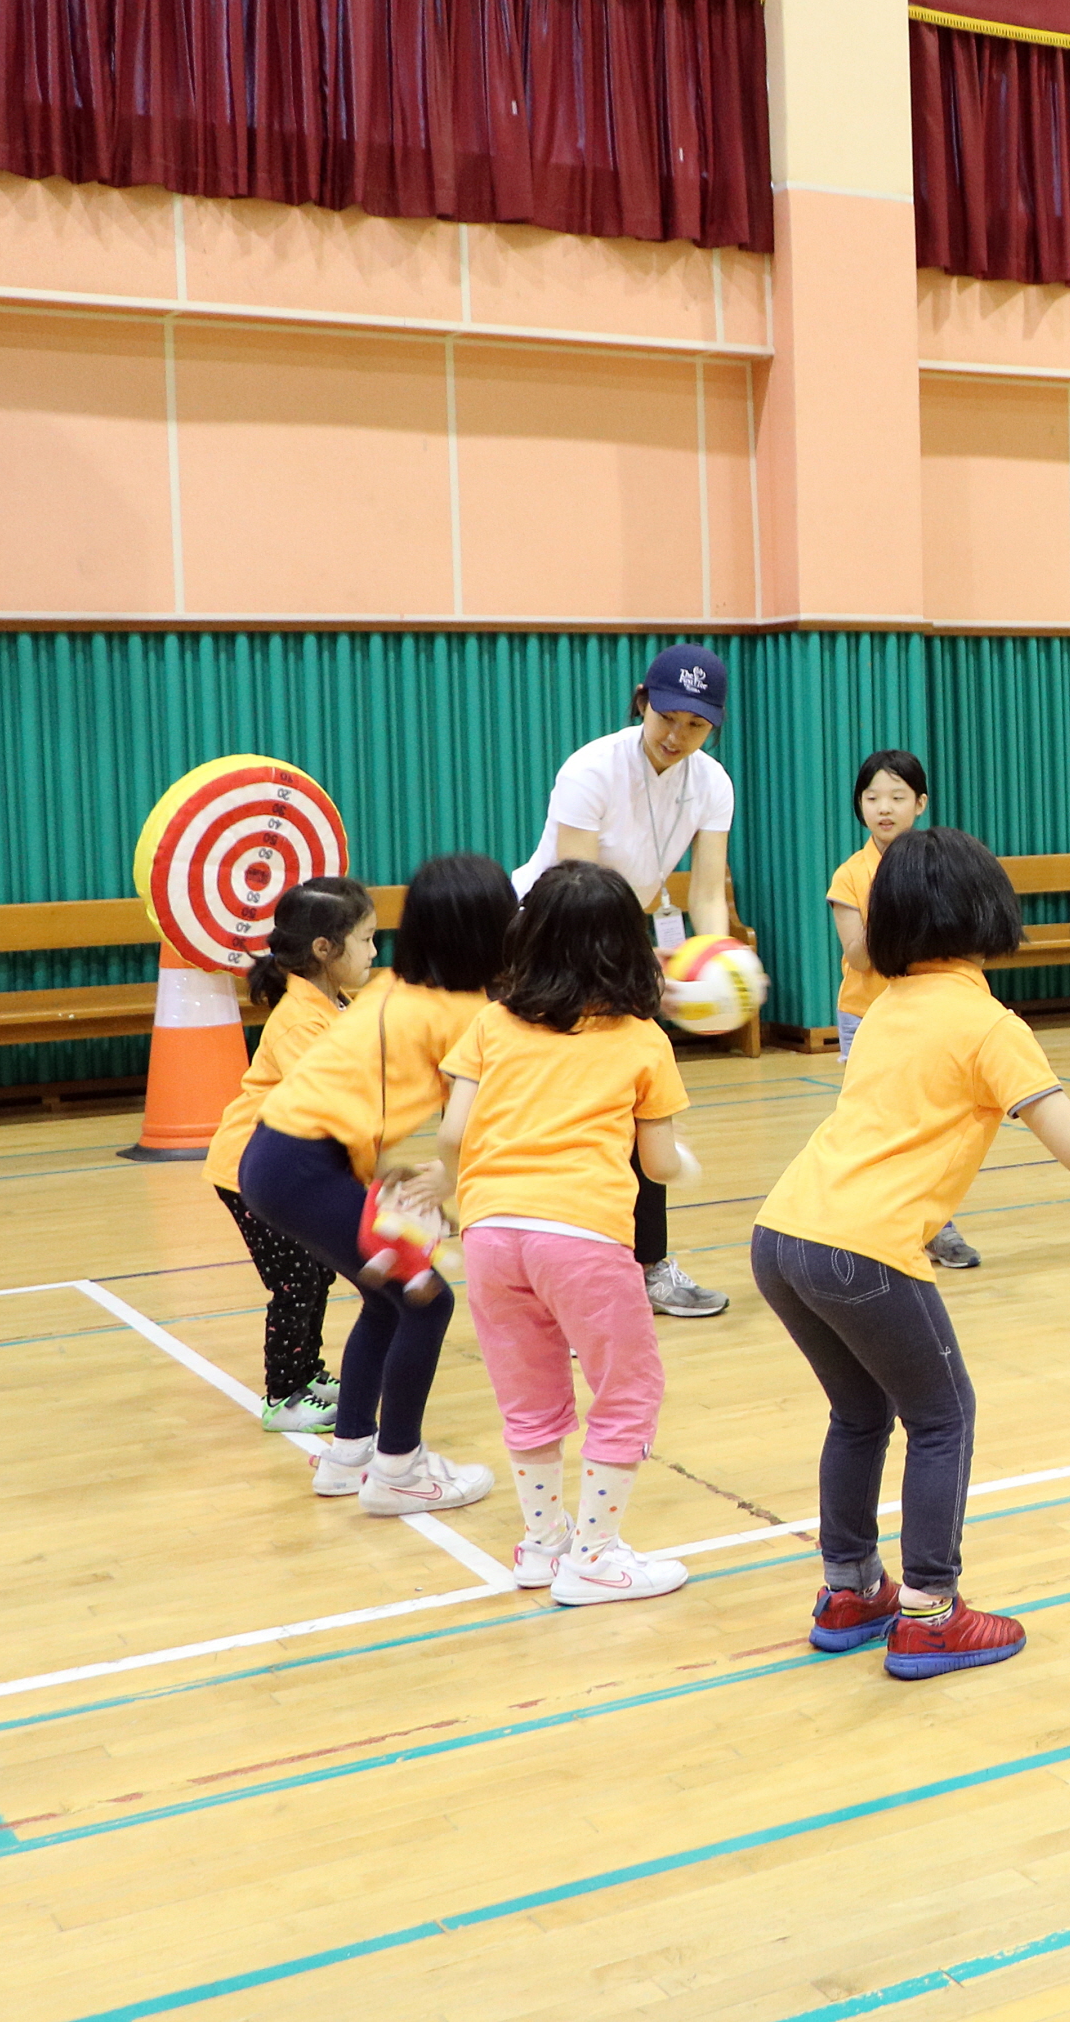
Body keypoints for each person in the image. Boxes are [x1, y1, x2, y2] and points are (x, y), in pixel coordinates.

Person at [750, 829, 1070, 1679]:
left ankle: (851, 1591)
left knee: (859, 1414)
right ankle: (930, 1614)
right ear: (985, 910)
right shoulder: (989, 1024)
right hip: (864, 1247)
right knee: (943, 1417)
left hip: (782, 1234)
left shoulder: (887, 1002)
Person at [441, 862, 699, 1607]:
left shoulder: (490, 1023)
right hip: (582, 1236)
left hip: (492, 1234)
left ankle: (543, 1543)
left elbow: (454, 1133)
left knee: (528, 1393)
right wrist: (684, 1161)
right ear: (628, 946)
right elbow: (658, 1163)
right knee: (628, 1390)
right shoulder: (643, 1039)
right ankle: (595, 1556)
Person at [238, 853, 519, 1518]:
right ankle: (399, 1470)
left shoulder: (395, 984)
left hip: (279, 1159)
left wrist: (389, 1177)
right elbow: (469, 1124)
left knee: (388, 1300)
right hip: (307, 1167)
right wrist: (446, 1182)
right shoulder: (466, 1012)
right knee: (427, 1303)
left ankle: (350, 1455)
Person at [516, 642, 739, 1320]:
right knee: (560, 1114)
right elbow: (576, 890)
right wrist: (641, 971)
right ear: (643, 700)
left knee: (642, 1102)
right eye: (667, 716)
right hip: (545, 938)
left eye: (695, 725)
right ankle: (546, 1281)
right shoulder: (591, 768)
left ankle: (651, 1266)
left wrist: (715, 962)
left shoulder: (713, 783)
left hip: (618, 940)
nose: (677, 735)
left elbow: (706, 893)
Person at [206, 875, 377, 1433]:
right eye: (366, 940)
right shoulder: (300, 1023)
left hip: (293, 1171)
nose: (375, 952)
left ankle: (306, 1372)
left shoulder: (334, 1002)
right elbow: (331, 1107)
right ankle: (283, 1395)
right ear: (325, 949)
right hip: (252, 1172)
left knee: (316, 1273)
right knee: (296, 1280)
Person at [827, 748, 978, 1271]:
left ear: (921, 803)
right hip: (868, 1016)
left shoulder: (939, 867)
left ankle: (935, 1224)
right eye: (872, 798)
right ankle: (865, 1224)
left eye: (897, 797)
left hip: (928, 1015)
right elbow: (859, 956)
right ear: (860, 806)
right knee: (871, 1125)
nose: (884, 808)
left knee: (930, 1121)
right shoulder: (850, 876)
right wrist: (898, 907)